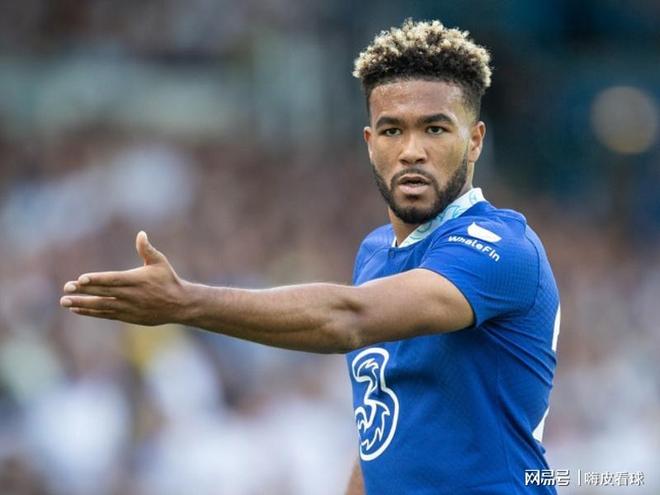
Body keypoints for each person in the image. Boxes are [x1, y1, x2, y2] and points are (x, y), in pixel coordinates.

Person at [60, 19, 560, 495]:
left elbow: (348, 319)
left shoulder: (502, 247)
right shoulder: (376, 254)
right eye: (392, 130)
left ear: (474, 141)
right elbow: (384, 431)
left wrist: (186, 303)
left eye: (435, 129)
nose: (412, 150)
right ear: (370, 144)